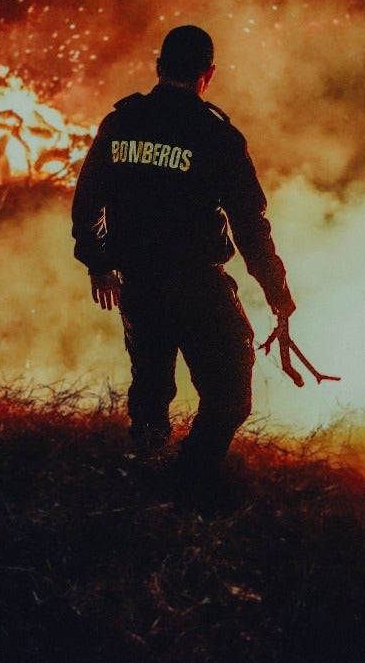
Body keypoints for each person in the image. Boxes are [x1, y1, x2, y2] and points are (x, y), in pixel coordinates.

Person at [71, 25, 296, 486]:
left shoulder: (122, 122)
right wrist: (277, 291)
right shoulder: (216, 136)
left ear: (159, 66)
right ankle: (188, 481)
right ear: (207, 74)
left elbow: (87, 201)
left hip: (139, 283)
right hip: (197, 287)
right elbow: (250, 225)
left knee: (151, 388)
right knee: (231, 391)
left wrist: (98, 262)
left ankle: (146, 477)